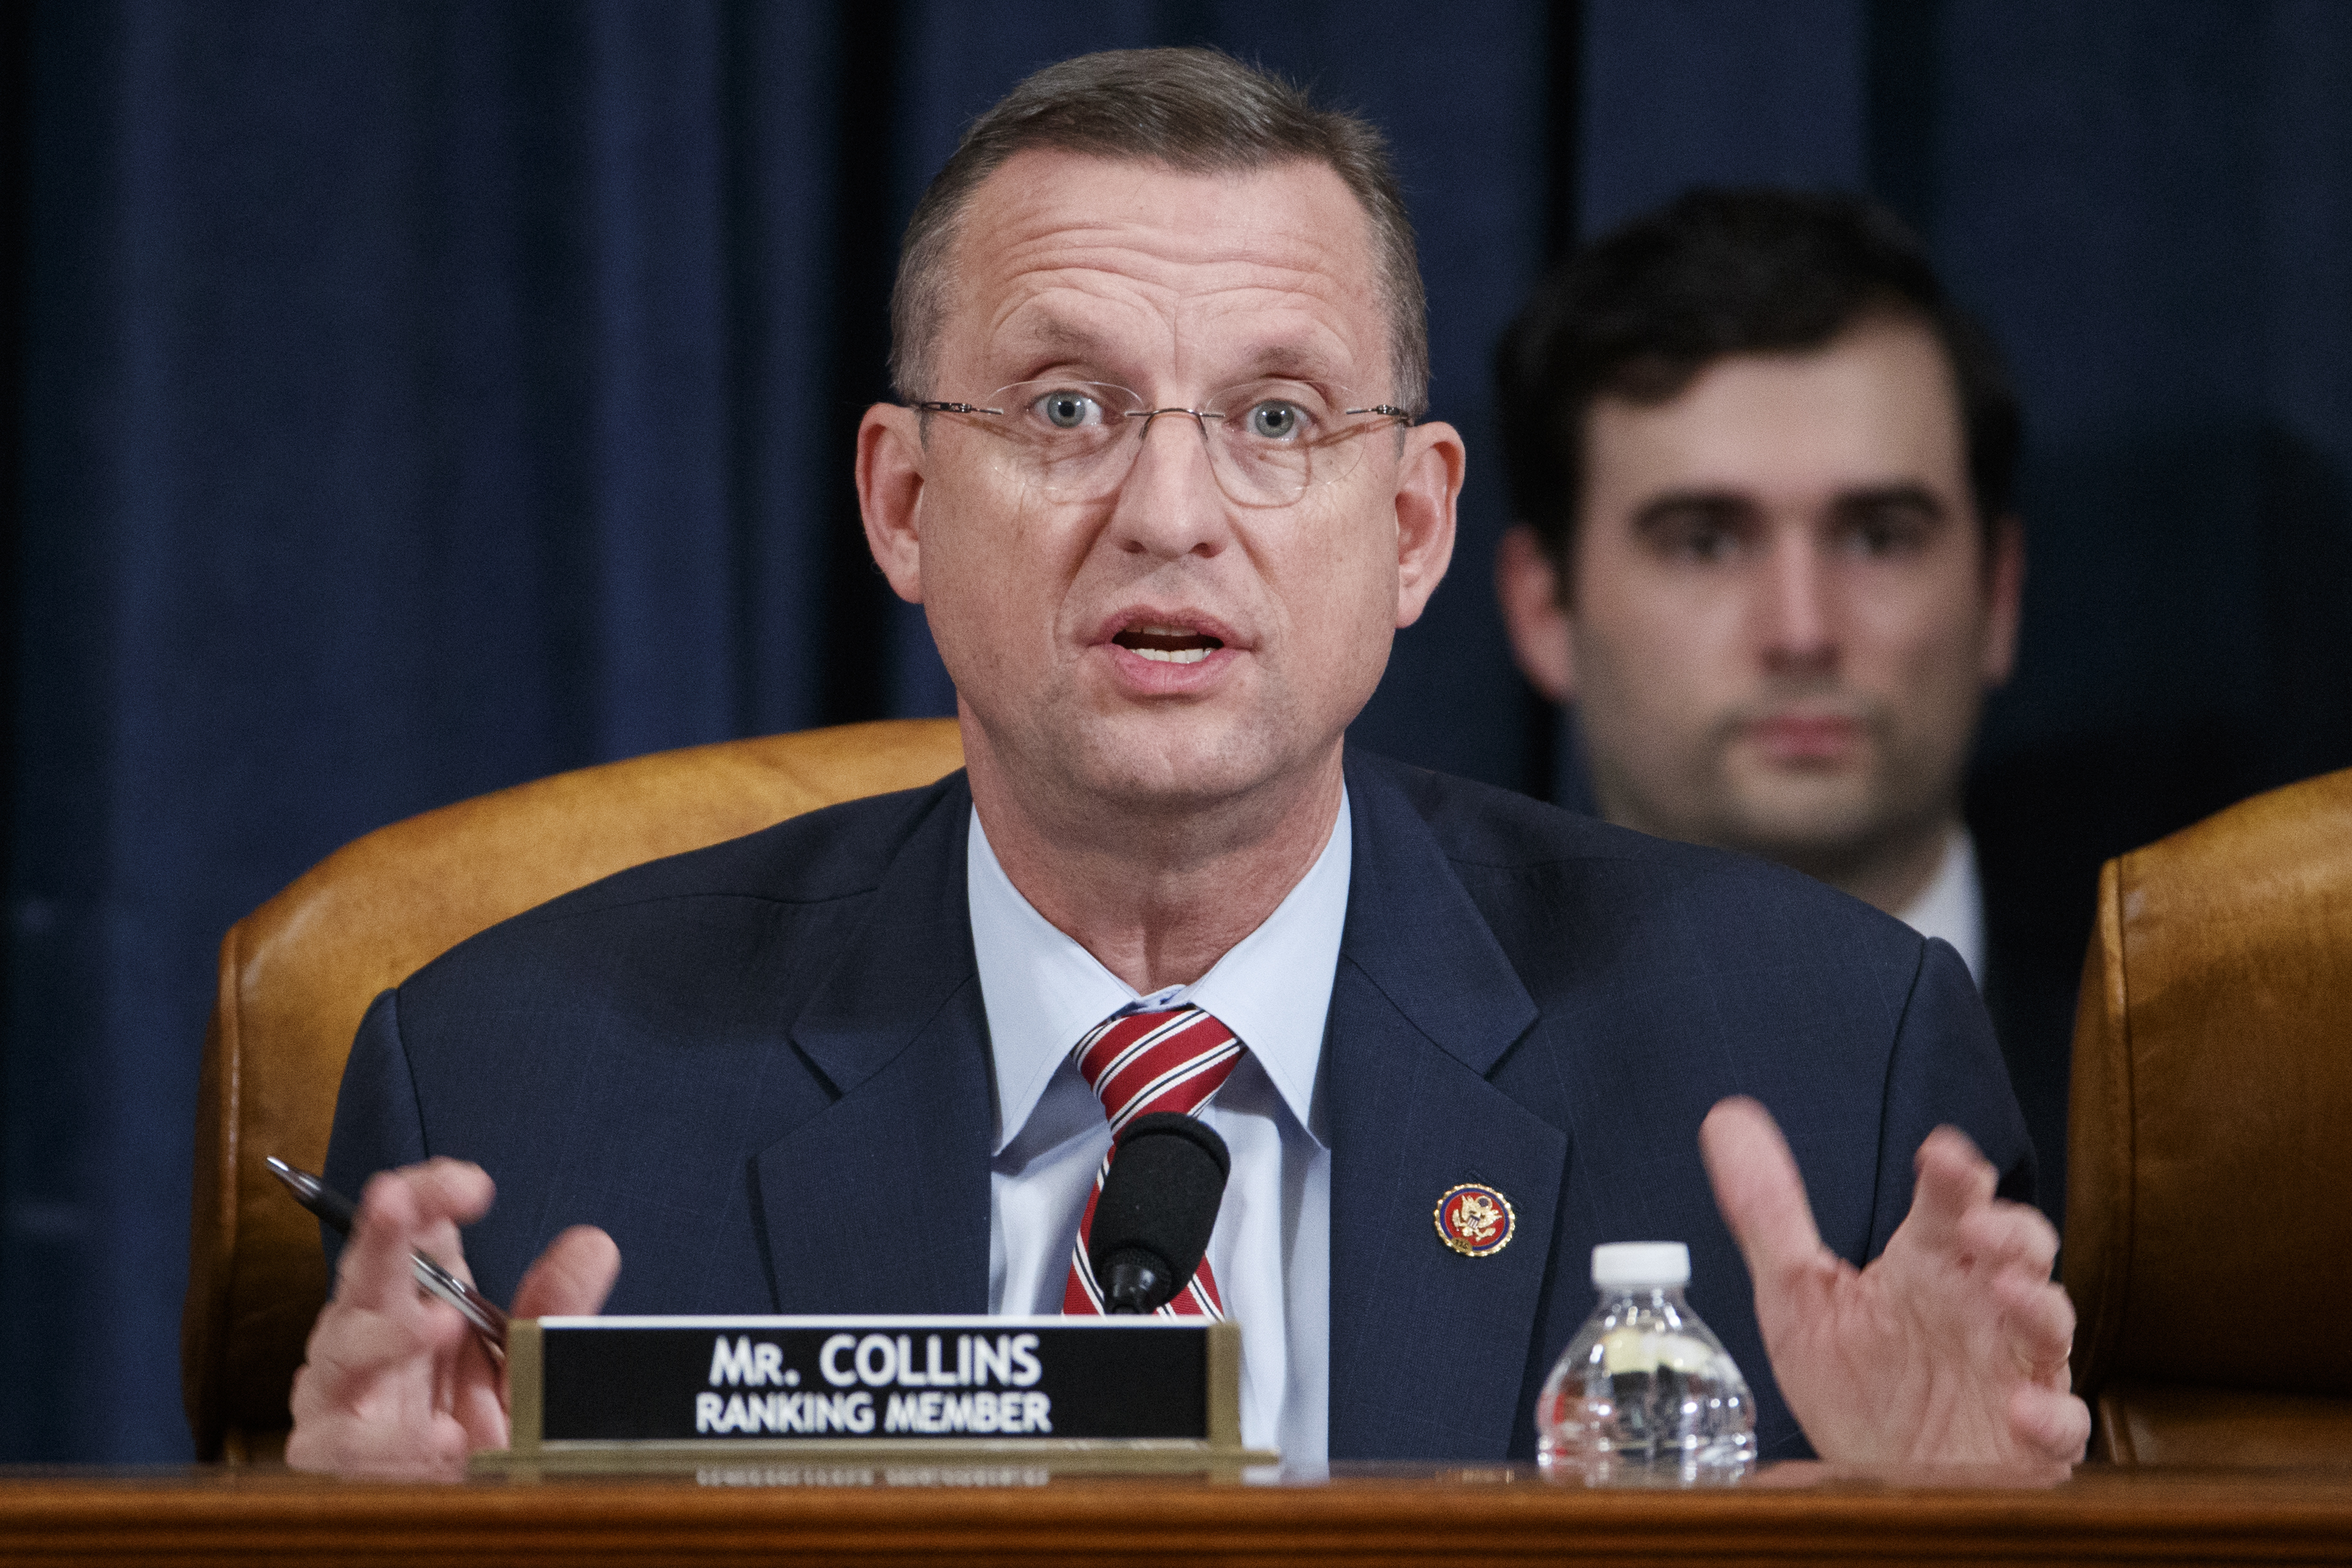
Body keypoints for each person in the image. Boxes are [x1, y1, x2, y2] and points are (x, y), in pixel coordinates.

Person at [286, 51, 2085, 1480]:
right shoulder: (520, 1100)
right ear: (904, 502)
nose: (1167, 512)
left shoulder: (1824, 1070)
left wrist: (1951, 1546)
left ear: (1413, 523)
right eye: (1066, 409)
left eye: (1275, 420)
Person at [1492, 190, 2073, 1227]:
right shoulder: (1371, 1070)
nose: (1800, 630)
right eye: (1705, 541)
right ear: (1544, 608)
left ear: (1998, 594)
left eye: (1878, 536)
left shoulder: (2207, 1076)